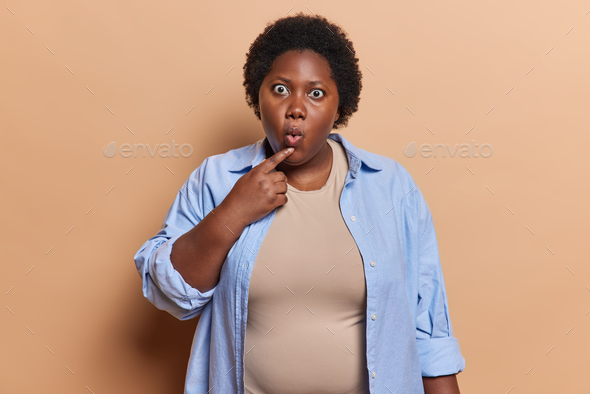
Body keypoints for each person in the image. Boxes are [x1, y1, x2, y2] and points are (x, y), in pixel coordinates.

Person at [133, 12, 465, 394]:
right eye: (279, 89)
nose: (296, 108)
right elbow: (170, 294)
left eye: (316, 93)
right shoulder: (217, 179)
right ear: (257, 96)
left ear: (340, 108)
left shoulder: (391, 187)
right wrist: (233, 212)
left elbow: (430, 329)